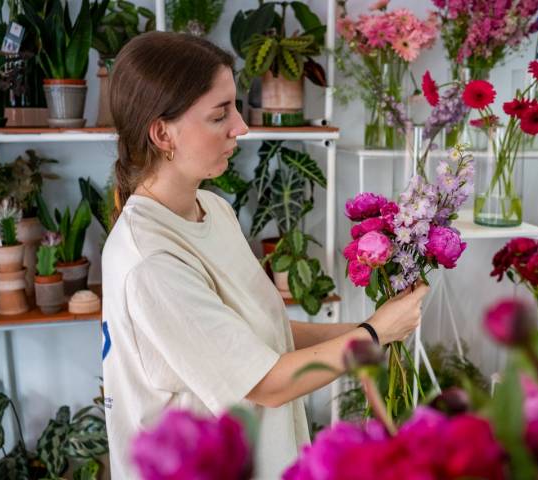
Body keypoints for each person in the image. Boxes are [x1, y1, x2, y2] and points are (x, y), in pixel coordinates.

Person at [101, 31, 429, 479]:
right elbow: (265, 384)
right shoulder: (151, 261)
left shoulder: (211, 208)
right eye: (220, 115)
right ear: (162, 133)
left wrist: (373, 328)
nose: (241, 126)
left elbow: (260, 331)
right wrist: (373, 335)